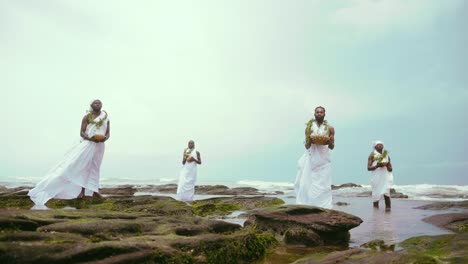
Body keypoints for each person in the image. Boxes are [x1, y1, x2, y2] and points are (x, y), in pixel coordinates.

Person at [28, 99, 110, 208]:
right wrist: (90, 138)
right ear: (91, 105)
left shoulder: (106, 117)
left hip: (99, 145)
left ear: (101, 105)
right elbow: (82, 132)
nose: (97, 104)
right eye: (95, 103)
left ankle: (94, 191)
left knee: (95, 167)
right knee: (83, 166)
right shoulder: (87, 117)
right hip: (87, 145)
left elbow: (108, 133)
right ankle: (81, 192)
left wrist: (104, 139)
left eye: (99, 103)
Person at [295, 106, 335, 209]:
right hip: (311, 158)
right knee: (306, 183)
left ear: (324, 114)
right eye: (317, 112)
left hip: (324, 159)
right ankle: (309, 206)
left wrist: (328, 141)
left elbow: (332, 146)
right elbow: (306, 145)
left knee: (323, 185)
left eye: (321, 112)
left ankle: (324, 207)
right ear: (314, 114)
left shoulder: (330, 128)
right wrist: (311, 141)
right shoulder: (309, 127)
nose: (319, 114)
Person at [367, 141, 393, 210]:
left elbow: (390, 169)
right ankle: (375, 212)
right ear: (375, 146)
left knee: (387, 192)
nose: (380, 146)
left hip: (385, 177)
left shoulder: (386, 155)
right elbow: (368, 168)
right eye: (378, 145)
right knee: (376, 194)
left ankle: (388, 210)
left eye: (381, 144)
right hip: (376, 177)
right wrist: (377, 166)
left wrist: (387, 165)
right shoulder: (372, 155)